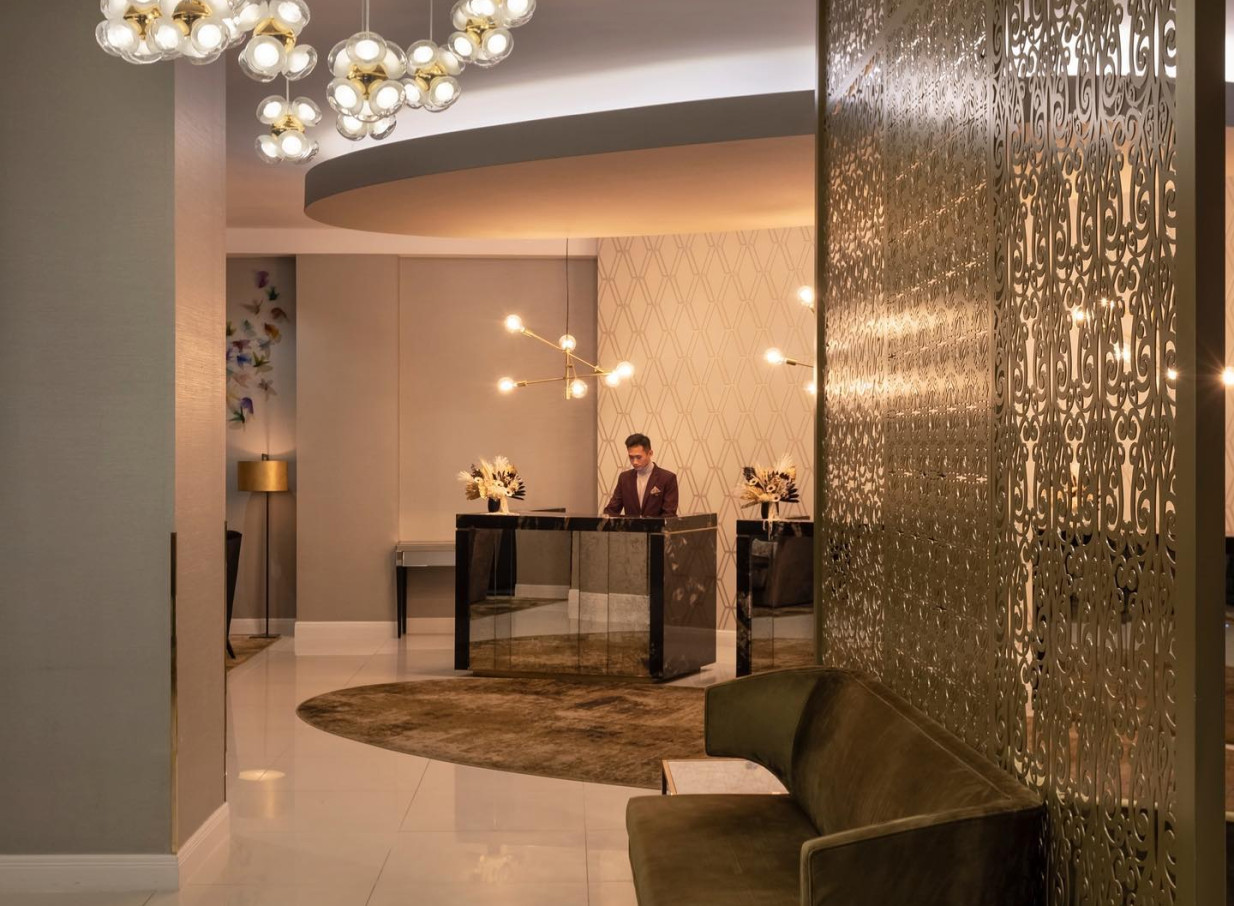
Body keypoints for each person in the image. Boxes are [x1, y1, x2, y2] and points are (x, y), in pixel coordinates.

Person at [603, 433, 679, 517]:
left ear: (650, 453)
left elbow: (669, 515)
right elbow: (612, 510)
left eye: (638, 457)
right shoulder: (624, 478)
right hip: (631, 530)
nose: (634, 462)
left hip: (657, 530)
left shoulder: (667, 478)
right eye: (631, 457)